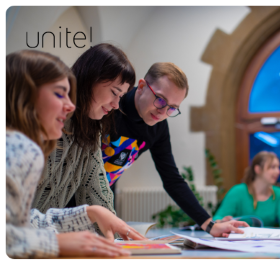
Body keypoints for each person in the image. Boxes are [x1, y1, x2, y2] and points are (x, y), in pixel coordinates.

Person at [6, 50, 142, 258]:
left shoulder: (88, 131)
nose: (70, 104)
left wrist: (93, 214)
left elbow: (22, 223)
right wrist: (56, 241)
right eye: (60, 94)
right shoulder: (22, 147)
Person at [101, 62, 248, 237]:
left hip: (103, 201)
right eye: (161, 100)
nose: (163, 112)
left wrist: (209, 225)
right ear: (141, 86)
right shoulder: (111, 105)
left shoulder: (158, 127)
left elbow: (172, 179)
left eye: (172, 108)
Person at [32, 44, 136, 221]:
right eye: (114, 92)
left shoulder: (91, 129)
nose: (116, 105)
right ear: (91, 78)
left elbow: (97, 192)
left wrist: (118, 236)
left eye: (120, 97)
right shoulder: (43, 119)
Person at [213, 151, 280, 228]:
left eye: (278, 167)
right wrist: (222, 222)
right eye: (272, 167)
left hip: (267, 243)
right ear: (258, 169)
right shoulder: (237, 191)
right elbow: (217, 219)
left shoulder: (279, 194)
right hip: (240, 242)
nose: (278, 171)